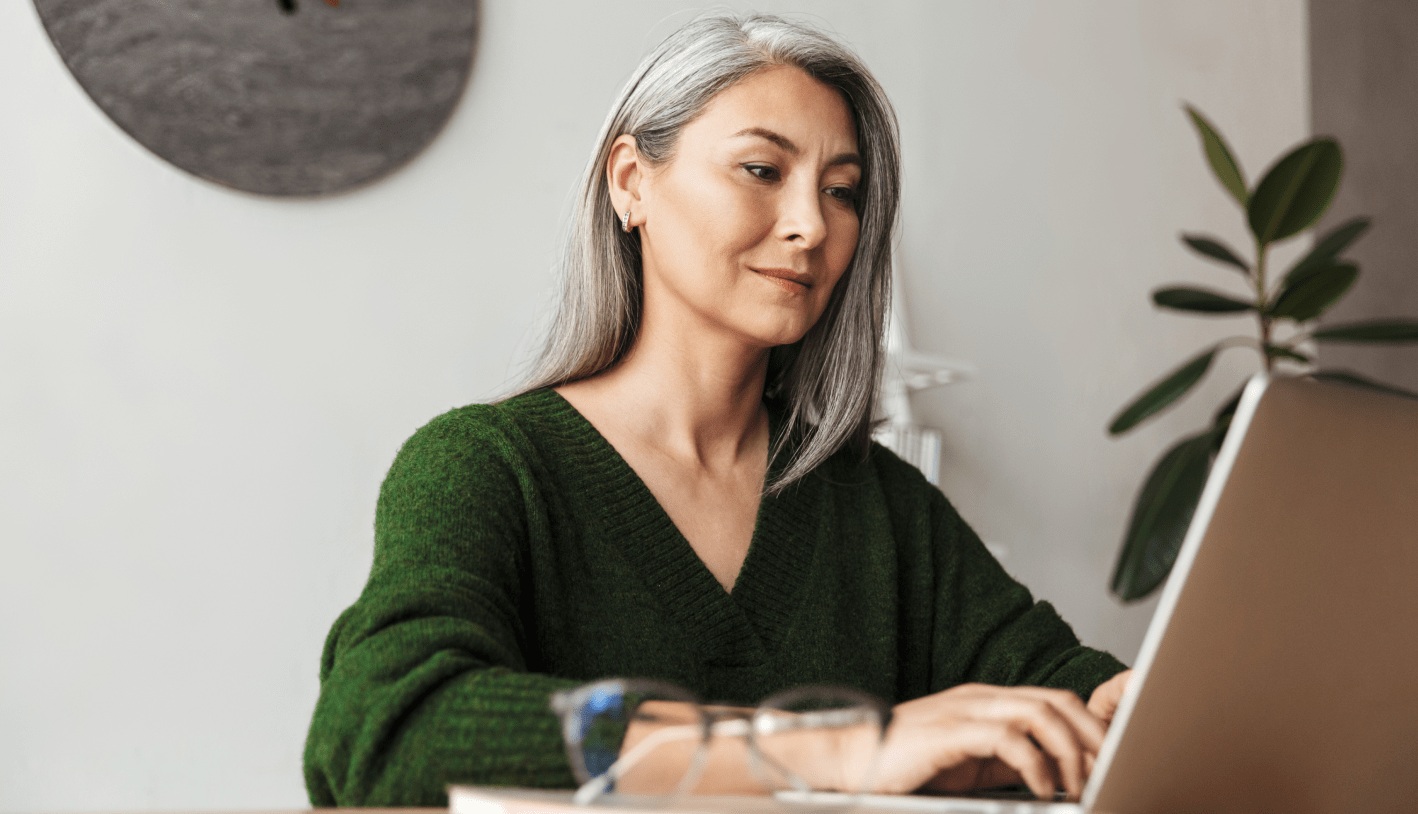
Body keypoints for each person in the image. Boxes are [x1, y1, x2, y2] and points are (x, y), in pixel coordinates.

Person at [303, 11, 1130, 808]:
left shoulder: (880, 506)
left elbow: (1064, 696)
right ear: (632, 184)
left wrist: (1135, 705)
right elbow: (388, 726)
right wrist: (841, 750)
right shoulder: (485, 468)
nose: (811, 225)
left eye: (842, 191)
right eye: (762, 171)